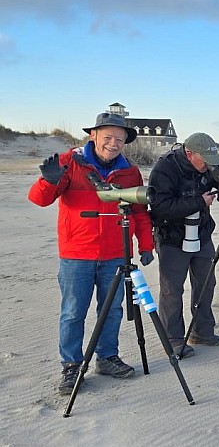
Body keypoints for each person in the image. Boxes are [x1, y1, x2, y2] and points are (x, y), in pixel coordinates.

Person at [28, 112, 154, 395]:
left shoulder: (130, 172)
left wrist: (146, 245)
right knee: (73, 312)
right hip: (77, 254)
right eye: (107, 137)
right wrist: (48, 181)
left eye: (119, 139)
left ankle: (107, 357)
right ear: (93, 136)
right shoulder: (69, 163)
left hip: (116, 254)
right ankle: (72, 366)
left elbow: (139, 213)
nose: (113, 143)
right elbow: (39, 199)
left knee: (111, 310)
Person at [148, 133, 219, 358]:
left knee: (206, 282)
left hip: (200, 232)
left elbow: (215, 185)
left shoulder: (206, 167)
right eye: (206, 160)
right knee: (172, 289)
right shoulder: (165, 169)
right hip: (172, 236)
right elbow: (161, 207)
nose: (208, 166)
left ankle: (203, 330)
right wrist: (199, 201)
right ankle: (172, 339)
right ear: (189, 153)